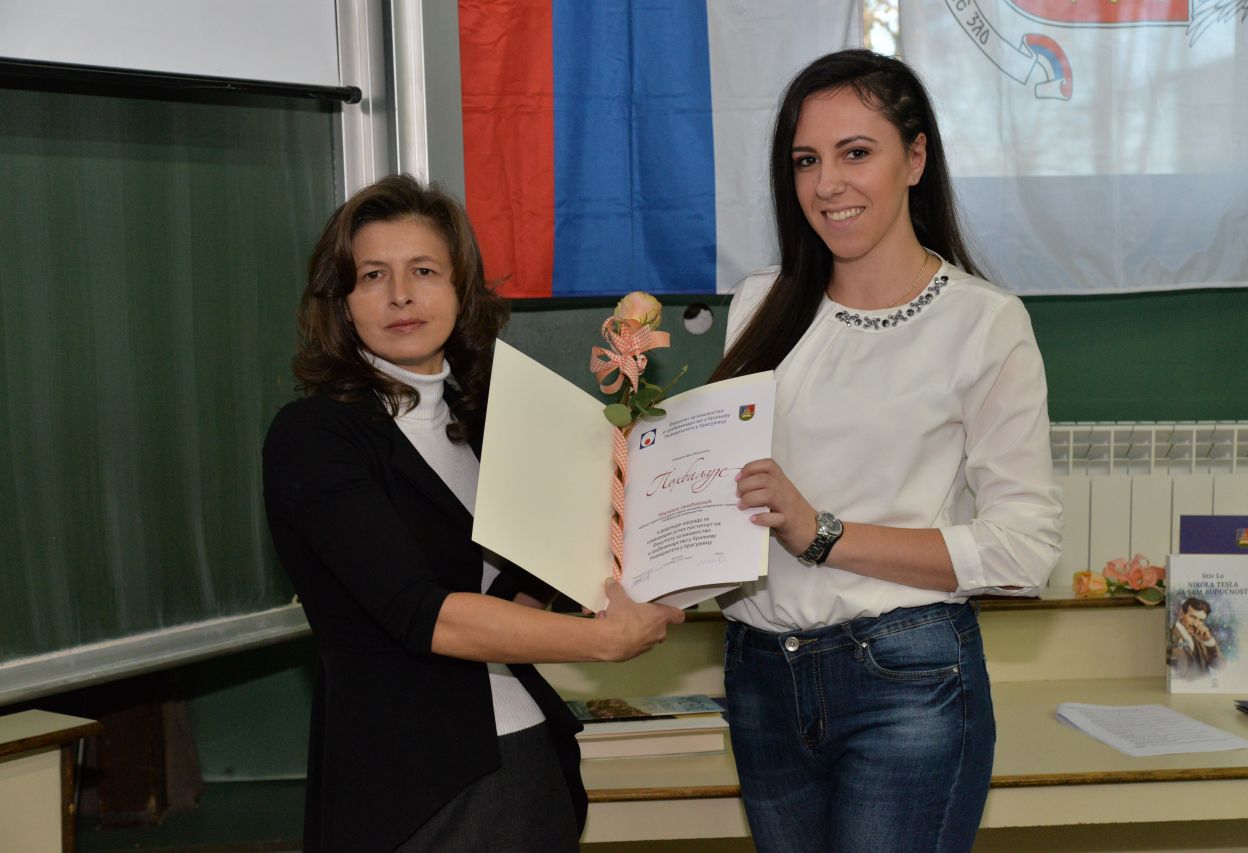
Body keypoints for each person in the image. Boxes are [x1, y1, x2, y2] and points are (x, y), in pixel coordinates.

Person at [262, 174, 685, 852]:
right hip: (415, 787)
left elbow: (517, 591)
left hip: (527, 757)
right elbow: (423, 613)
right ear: (341, 302)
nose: (401, 295)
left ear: (461, 290)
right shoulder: (315, 436)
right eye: (372, 275)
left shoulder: (487, 422)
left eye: (424, 270)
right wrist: (603, 641)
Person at [709, 50, 1063, 852]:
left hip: (908, 679)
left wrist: (822, 532)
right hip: (759, 676)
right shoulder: (761, 301)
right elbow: (732, 499)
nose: (827, 184)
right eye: (806, 160)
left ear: (915, 158)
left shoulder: (985, 322)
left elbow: (1024, 550)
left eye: (856, 152)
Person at [1169, 596, 1221, 677]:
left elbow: (1219, 666)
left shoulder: (1201, 639)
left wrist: (1209, 641)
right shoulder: (1169, 636)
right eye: (1193, 617)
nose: (1196, 624)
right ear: (1181, 614)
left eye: (1201, 620)